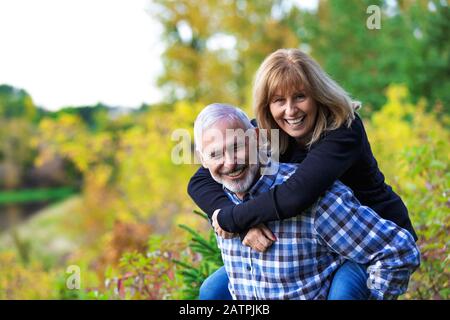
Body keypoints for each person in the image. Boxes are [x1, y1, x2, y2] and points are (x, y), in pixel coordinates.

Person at [188, 49, 418, 300]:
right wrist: (235, 220)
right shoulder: (266, 131)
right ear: (267, 105)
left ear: (317, 95)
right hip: (312, 242)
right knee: (212, 290)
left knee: (343, 295)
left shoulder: (342, 128)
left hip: (367, 241)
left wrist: (235, 220)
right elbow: (202, 178)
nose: (291, 111)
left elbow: (296, 194)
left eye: (300, 97)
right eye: (278, 101)